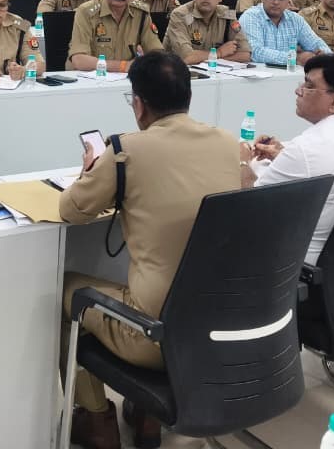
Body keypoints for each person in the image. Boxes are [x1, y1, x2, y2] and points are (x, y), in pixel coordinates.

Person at [58, 52, 239, 449]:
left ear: (138, 105)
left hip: (153, 335)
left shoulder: (125, 151)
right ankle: (146, 417)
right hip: (217, 324)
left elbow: (70, 209)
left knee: (65, 290)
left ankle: (97, 420)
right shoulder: (229, 143)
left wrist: (89, 173)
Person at [241, 55, 334, 264]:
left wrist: (242, 160)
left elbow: (249, 204)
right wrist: (283, 156)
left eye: (309, 86)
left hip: (302, 262)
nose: (298, 91)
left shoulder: (306, 148)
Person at [68, 0, 163, 72]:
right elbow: (79, 60)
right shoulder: (86, 12)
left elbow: (157, 53)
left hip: (126, 78)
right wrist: (123, 66)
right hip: (89, 77)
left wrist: (146, 61)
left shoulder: (141, 13)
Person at [162, 0, 252, 64]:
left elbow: (244, 54)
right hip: (175, 70)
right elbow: (187, 57)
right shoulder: (180, 15)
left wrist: (210, 59)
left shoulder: (227, 14)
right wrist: (219, 53)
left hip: (212, 71)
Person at [237, 0, 327, 65]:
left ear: (288, 0)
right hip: (259, 73)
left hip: (290, 72)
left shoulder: (295, 19)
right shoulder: (251, 16)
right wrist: (295, 58)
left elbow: (316, 43)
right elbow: (255, 52)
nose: (276, 2)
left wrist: (324, 55)